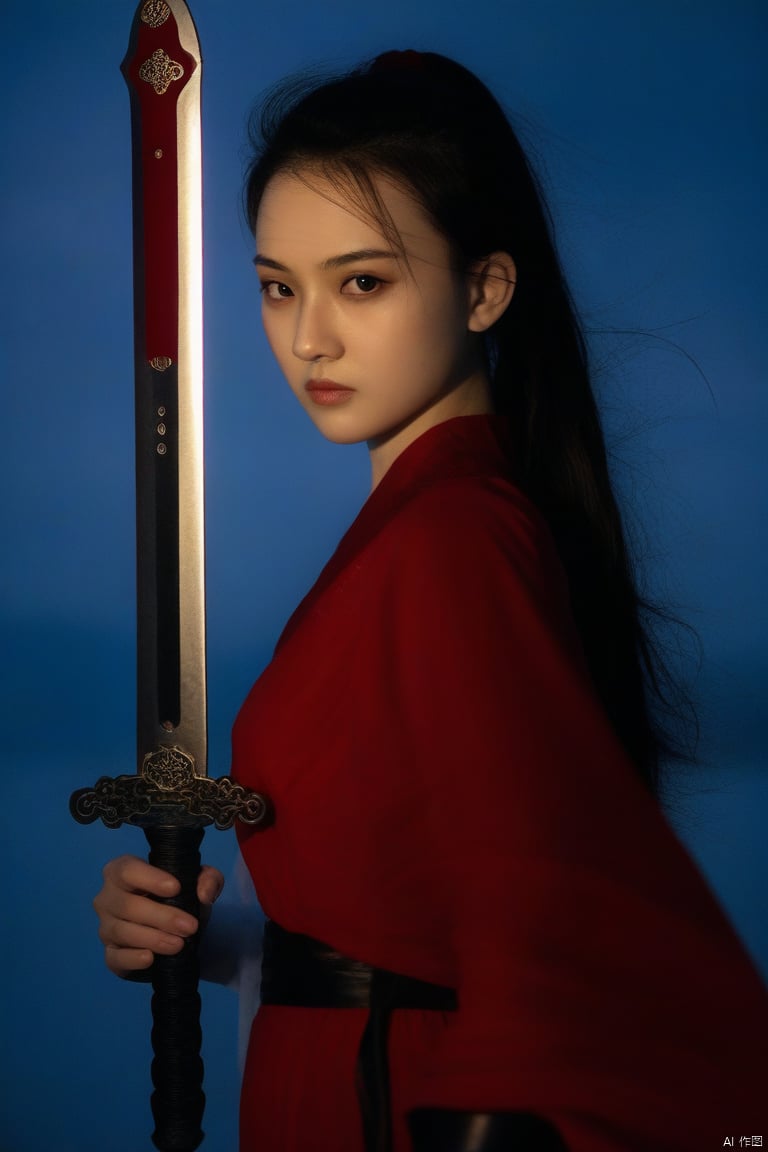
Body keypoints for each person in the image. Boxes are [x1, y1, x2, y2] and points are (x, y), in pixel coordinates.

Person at [93, 51, 767, 1152]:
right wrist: (221, 940)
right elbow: (426, 906)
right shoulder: (427, 526)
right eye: (278, 285)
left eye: (361, 281)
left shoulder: (452, 539)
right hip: (344, 1079)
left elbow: (533, 910)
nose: (308, 337)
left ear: (485, 287)